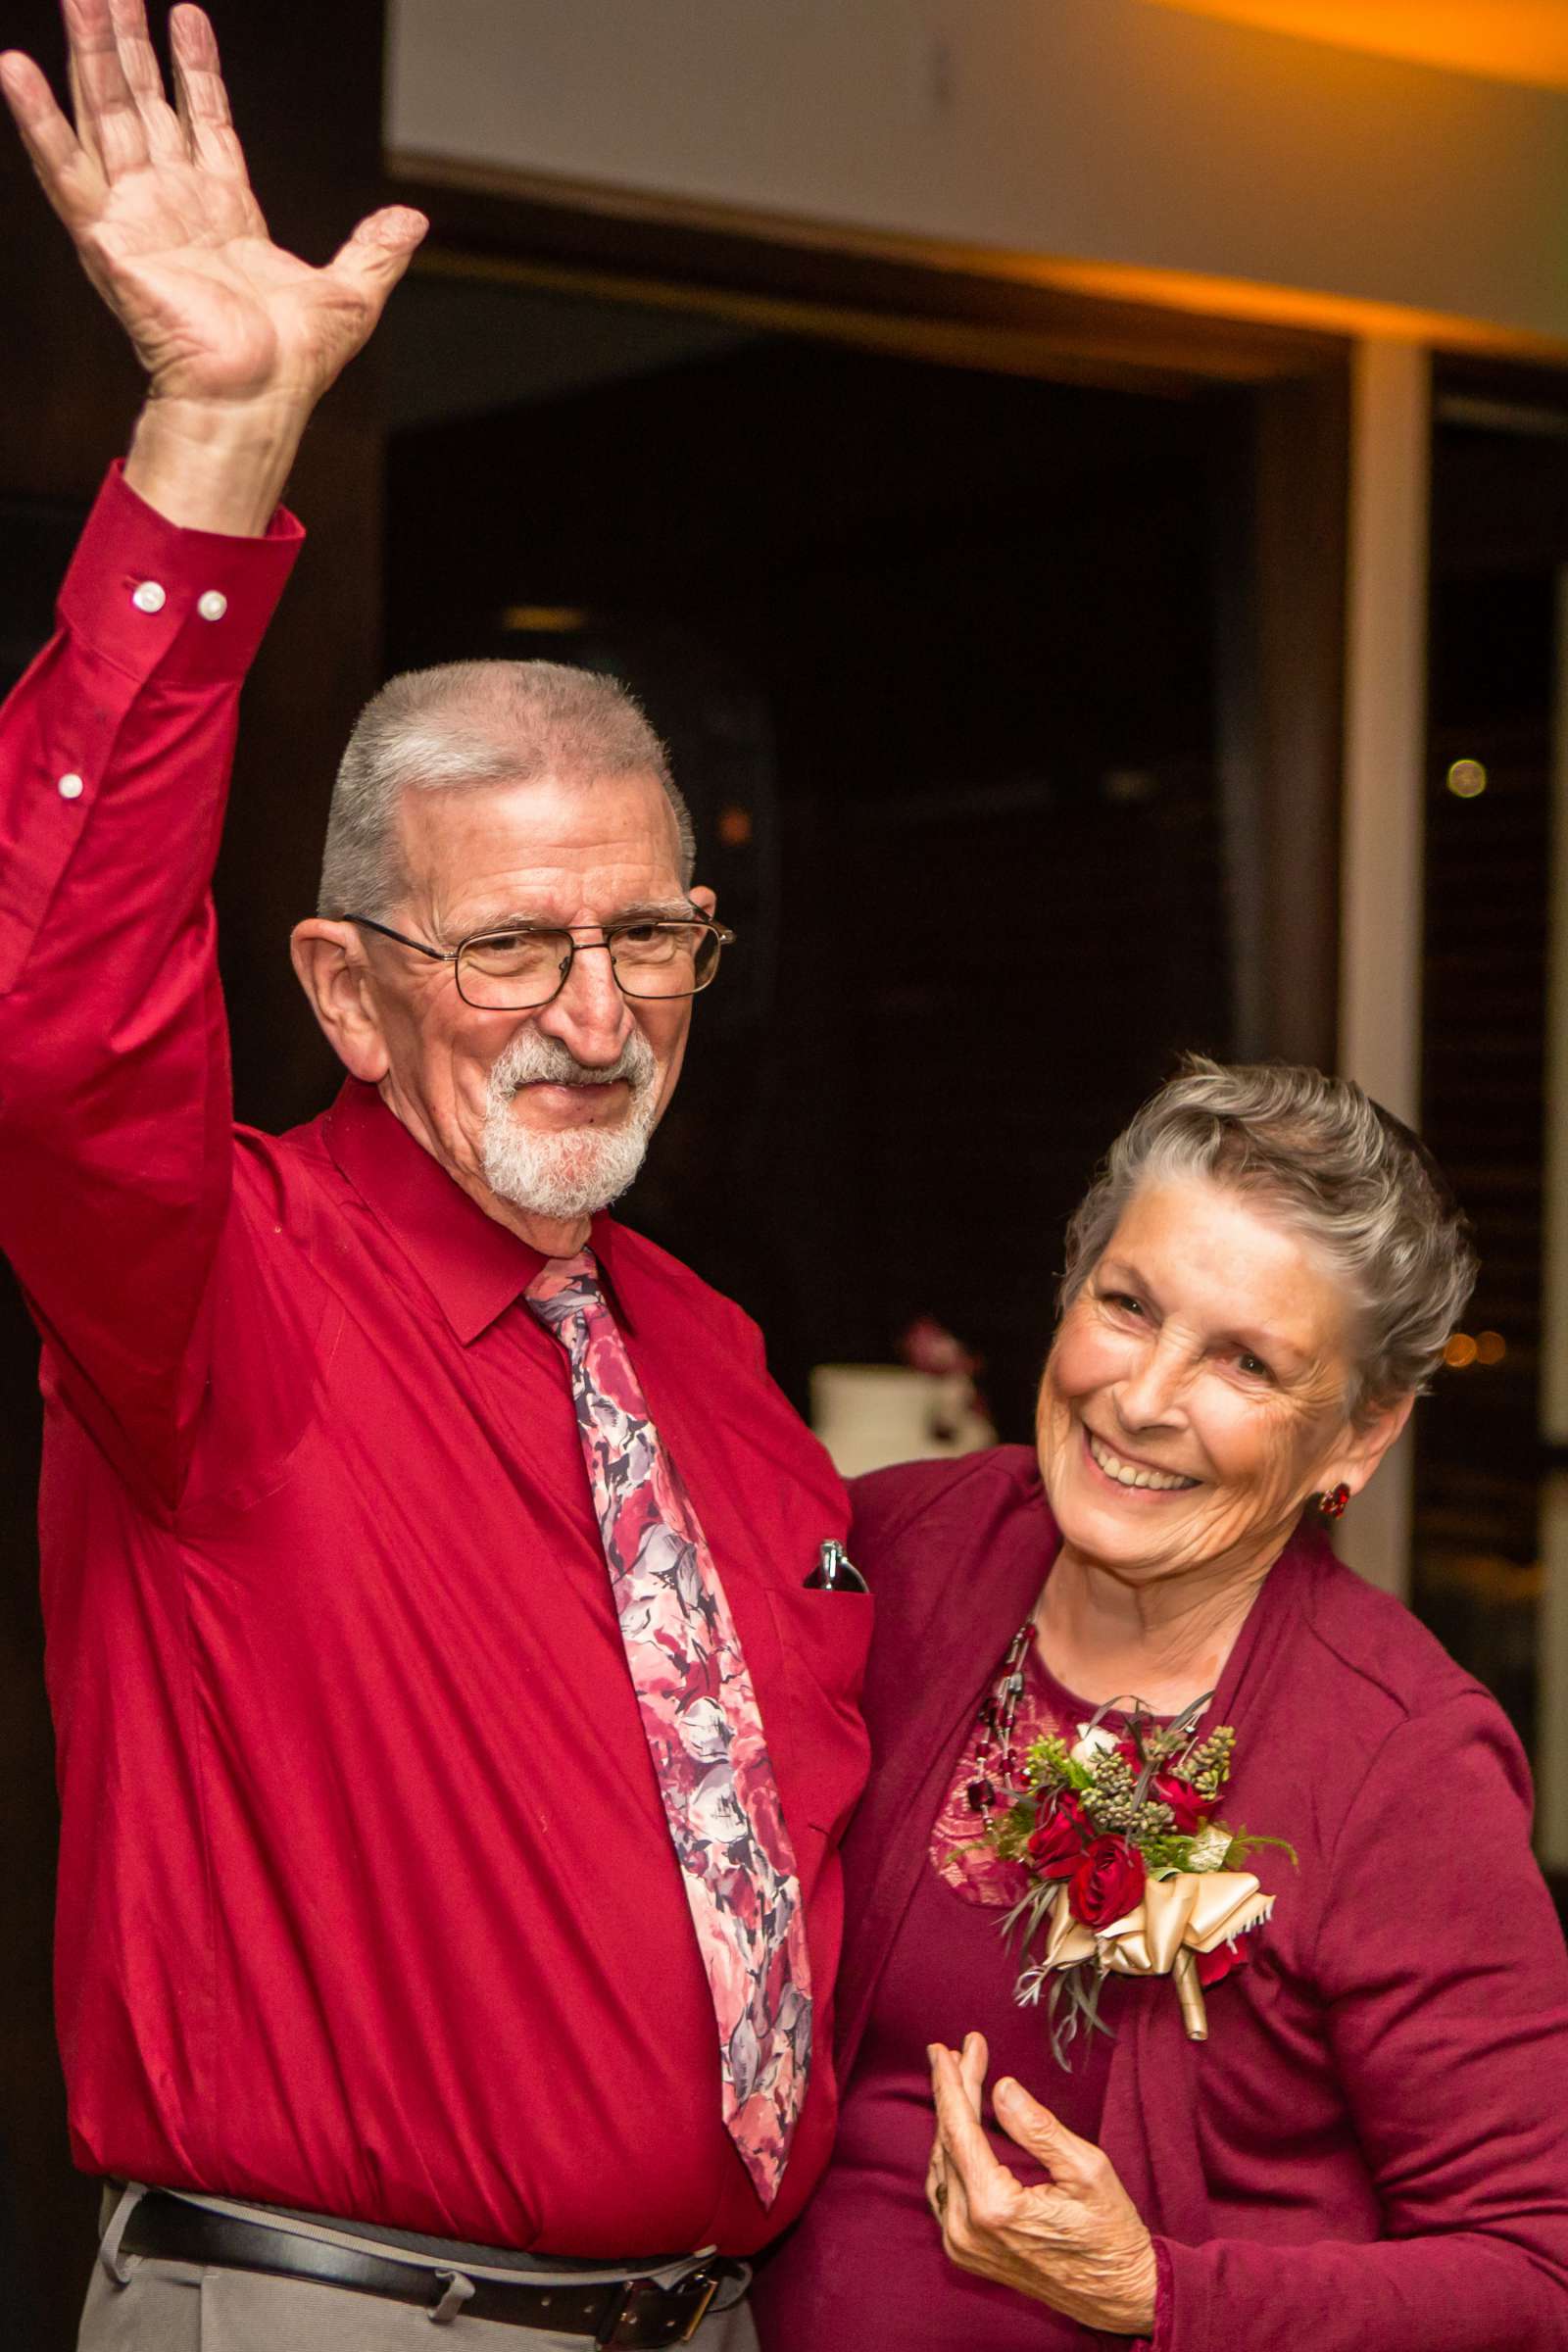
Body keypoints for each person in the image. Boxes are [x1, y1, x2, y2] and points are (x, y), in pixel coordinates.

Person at [0, 6, 871, 2345]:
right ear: (350, 987)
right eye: (506, 948)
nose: (595, 1018)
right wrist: (210, 441)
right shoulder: (223, 1300)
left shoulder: (706, 1364)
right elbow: (51, 1014)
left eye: (647, 938)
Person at [754, 1057, 1568, 2352]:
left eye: (1243, 1361)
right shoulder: (901, 1540)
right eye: (1127, 1306)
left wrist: (1160, 2298)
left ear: (1358, 1438)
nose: (1140, 1400)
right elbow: (763, 1580)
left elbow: (1535, 2277)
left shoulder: (1406, 1762)